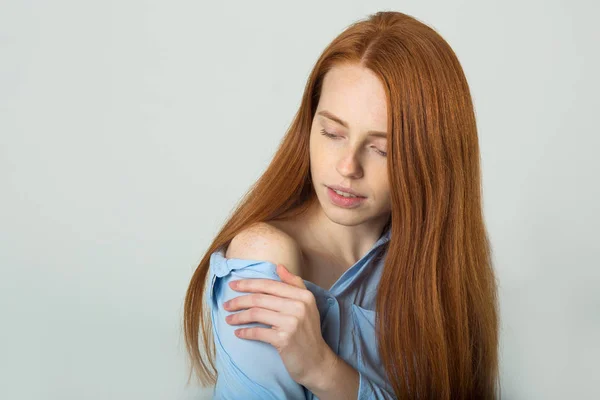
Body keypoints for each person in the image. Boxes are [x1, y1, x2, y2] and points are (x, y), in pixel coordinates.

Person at [183, 10, 500, 400]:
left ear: (432, 159)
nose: (348, 167)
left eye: (382, 148)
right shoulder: (264, 257)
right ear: (309, 126)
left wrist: (324, 371)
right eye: (333, 133)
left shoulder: (438, 264)